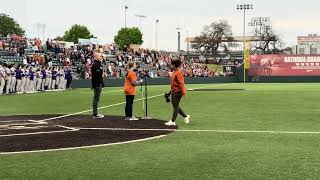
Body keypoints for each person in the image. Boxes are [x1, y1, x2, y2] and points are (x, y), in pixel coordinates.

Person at [165, 59, 190, 126]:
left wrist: (184, 92)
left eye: (171, 65)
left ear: (174, 65)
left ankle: (173, 121)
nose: (170, 66)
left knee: (175, 106)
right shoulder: (174, 72)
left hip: (178, 92)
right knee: (175, 106)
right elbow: (173, 84)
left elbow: (181, 83)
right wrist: (169, 93)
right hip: (174, 91)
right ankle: (185, 116)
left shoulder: (178, 72)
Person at [91, 50, 105, 119]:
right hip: (97, 84)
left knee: (96, 99)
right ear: (96, 57)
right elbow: (99, 73)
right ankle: (95, 114)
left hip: (98, 84)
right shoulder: (95, 65)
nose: (101, 57)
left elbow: (100, 73)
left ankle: (95, 113)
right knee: (96, 99)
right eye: (99, 56)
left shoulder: (98, 64)